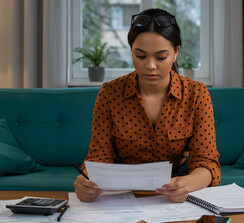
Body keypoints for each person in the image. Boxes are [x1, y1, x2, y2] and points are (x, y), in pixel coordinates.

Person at [73, 8, 220, 203]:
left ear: (176, 52)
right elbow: (99, 157)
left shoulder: (196, 93)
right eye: (140, 56)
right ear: (131, 51)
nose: (150, 65)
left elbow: (206, 162)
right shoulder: (110, 93)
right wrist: (86, 182)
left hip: (175, 188)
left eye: (161, 57)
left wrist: (187, 184)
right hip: (121, 189)